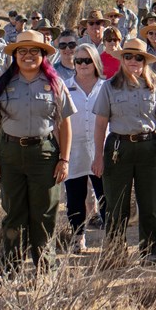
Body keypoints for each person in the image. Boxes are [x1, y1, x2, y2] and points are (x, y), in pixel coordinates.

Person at [0, 31, 74, 268]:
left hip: (44, 154)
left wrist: (64, 159)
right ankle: (11, 267)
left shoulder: (55, 83)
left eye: (34, 51)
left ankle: (45, 267)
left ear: (43, 55)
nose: (28, 56)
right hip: (10, 153)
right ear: (15, 55)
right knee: (14, 213)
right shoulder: (2, 84)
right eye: (22, 51)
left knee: (44, 212)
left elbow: (64, 125)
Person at [91, 38, 156, 265]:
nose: (133, 61)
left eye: (139, 57)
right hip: (119, 148)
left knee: (150, 204)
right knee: (117, 205)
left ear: (145, 60)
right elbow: (100, 123)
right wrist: (98, 156)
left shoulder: (155, 84)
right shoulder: (110, 86)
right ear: (122, 59)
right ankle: (115, 253)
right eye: (128, 56)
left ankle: (150, 253)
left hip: (150, 148)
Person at [63, 43, 106, 252]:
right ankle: (78, 236)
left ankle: (113, 239)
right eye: (78, 60)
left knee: (106, 195)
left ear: (95, 62)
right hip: (75, 149)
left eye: (87, 60)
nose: (83, 64)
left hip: (102, 149)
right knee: (75, 197)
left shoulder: (107, 87)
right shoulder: (65, 86)